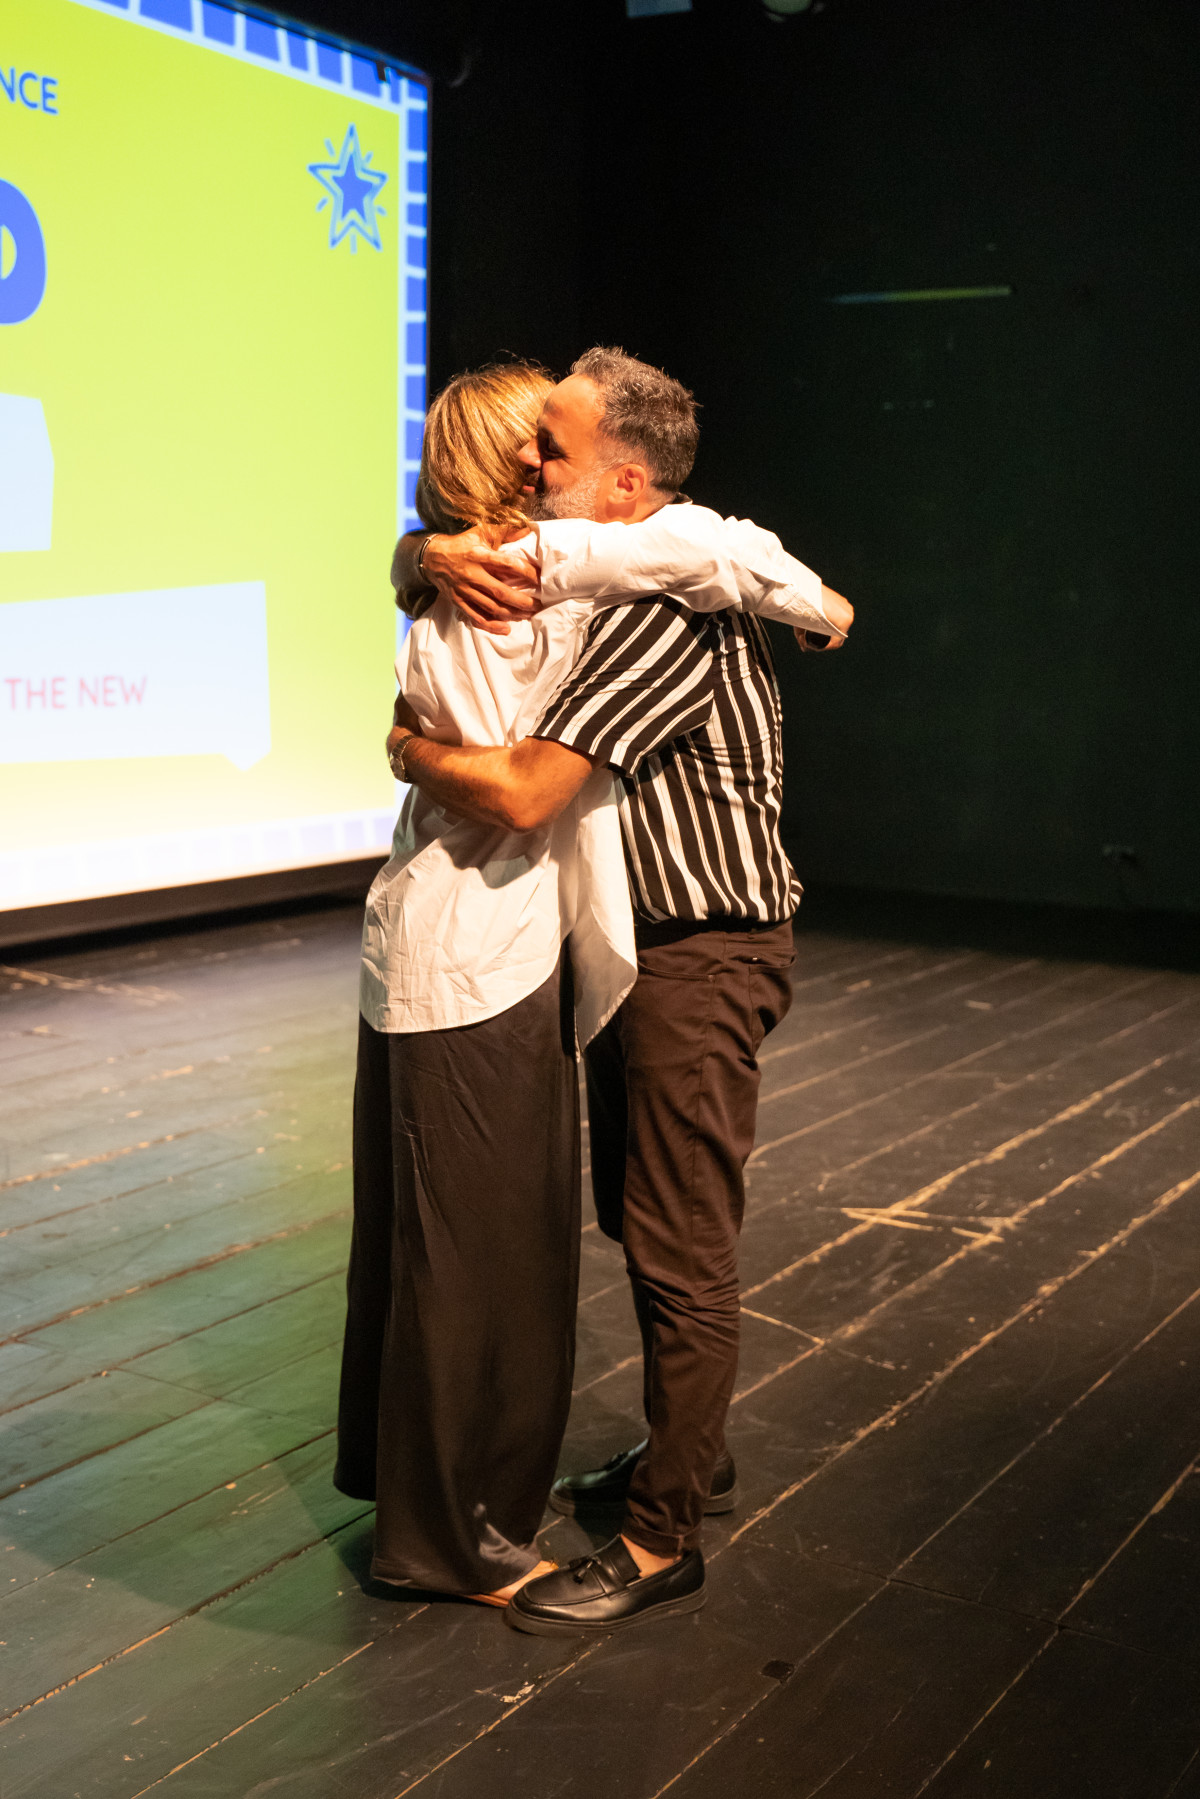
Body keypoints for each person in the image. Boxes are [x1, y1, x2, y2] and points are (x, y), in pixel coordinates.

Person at [336, 358, 845, 1609]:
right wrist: (421, 552)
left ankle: (665, 1533)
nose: (533, 473)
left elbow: (525, 791)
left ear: (622, 485)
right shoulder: (580, 576)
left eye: (551, 455)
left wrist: (406, 744)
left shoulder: (663, 611)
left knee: (679, 1242)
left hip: (701, 950)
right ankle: (691, 1457)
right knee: (639, 1213)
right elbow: (458, 558)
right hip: (633, 952)